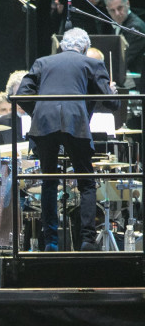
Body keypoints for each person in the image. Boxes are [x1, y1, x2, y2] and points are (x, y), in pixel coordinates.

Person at [16, 26, 117, 252]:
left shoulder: (43, 62)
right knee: (87, 182)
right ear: (85, 48)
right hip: (75, 122)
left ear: (62, 46)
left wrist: (41, 111)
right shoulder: (91, 63)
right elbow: (112, 103)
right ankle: (87, 241)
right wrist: (112, 91)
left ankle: (51, 242)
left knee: (49, 181)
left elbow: (21, 94)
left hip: (44, 123)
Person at [104, 0, 145, 84]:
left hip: (136, 82)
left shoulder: (135, 27)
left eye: (119, 8)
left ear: (128, 4)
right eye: (112, 11)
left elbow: (123, 60)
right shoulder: (118, 23)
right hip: (125, 78)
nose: (117, 14)